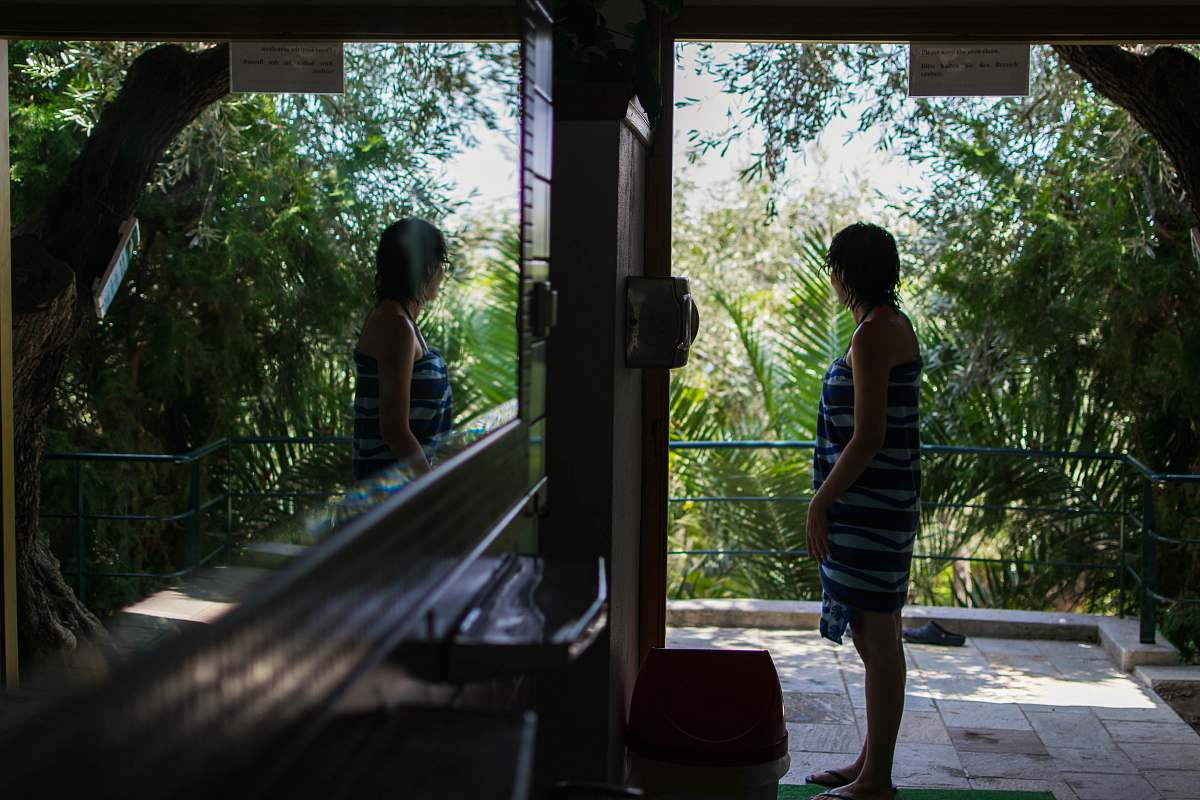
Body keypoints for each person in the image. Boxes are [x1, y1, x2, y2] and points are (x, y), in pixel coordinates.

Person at [804, 223, 921, 800]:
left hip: (870, 508)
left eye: (836, 267)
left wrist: (820, 502)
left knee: (878, 639)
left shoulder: (876, 334)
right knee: (876, 636)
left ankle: (876, 780)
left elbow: (870, 435)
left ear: (849, 273)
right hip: (874, 505)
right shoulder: (882, 327)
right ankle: (868, 763)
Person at [352, 218, 453, 481]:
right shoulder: (396, 326)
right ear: (425, 267)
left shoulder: (398, 320)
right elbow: (395, 430)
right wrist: (431, 485)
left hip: (398, 490)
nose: (442, 273)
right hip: (393, 494)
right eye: (441, 264)